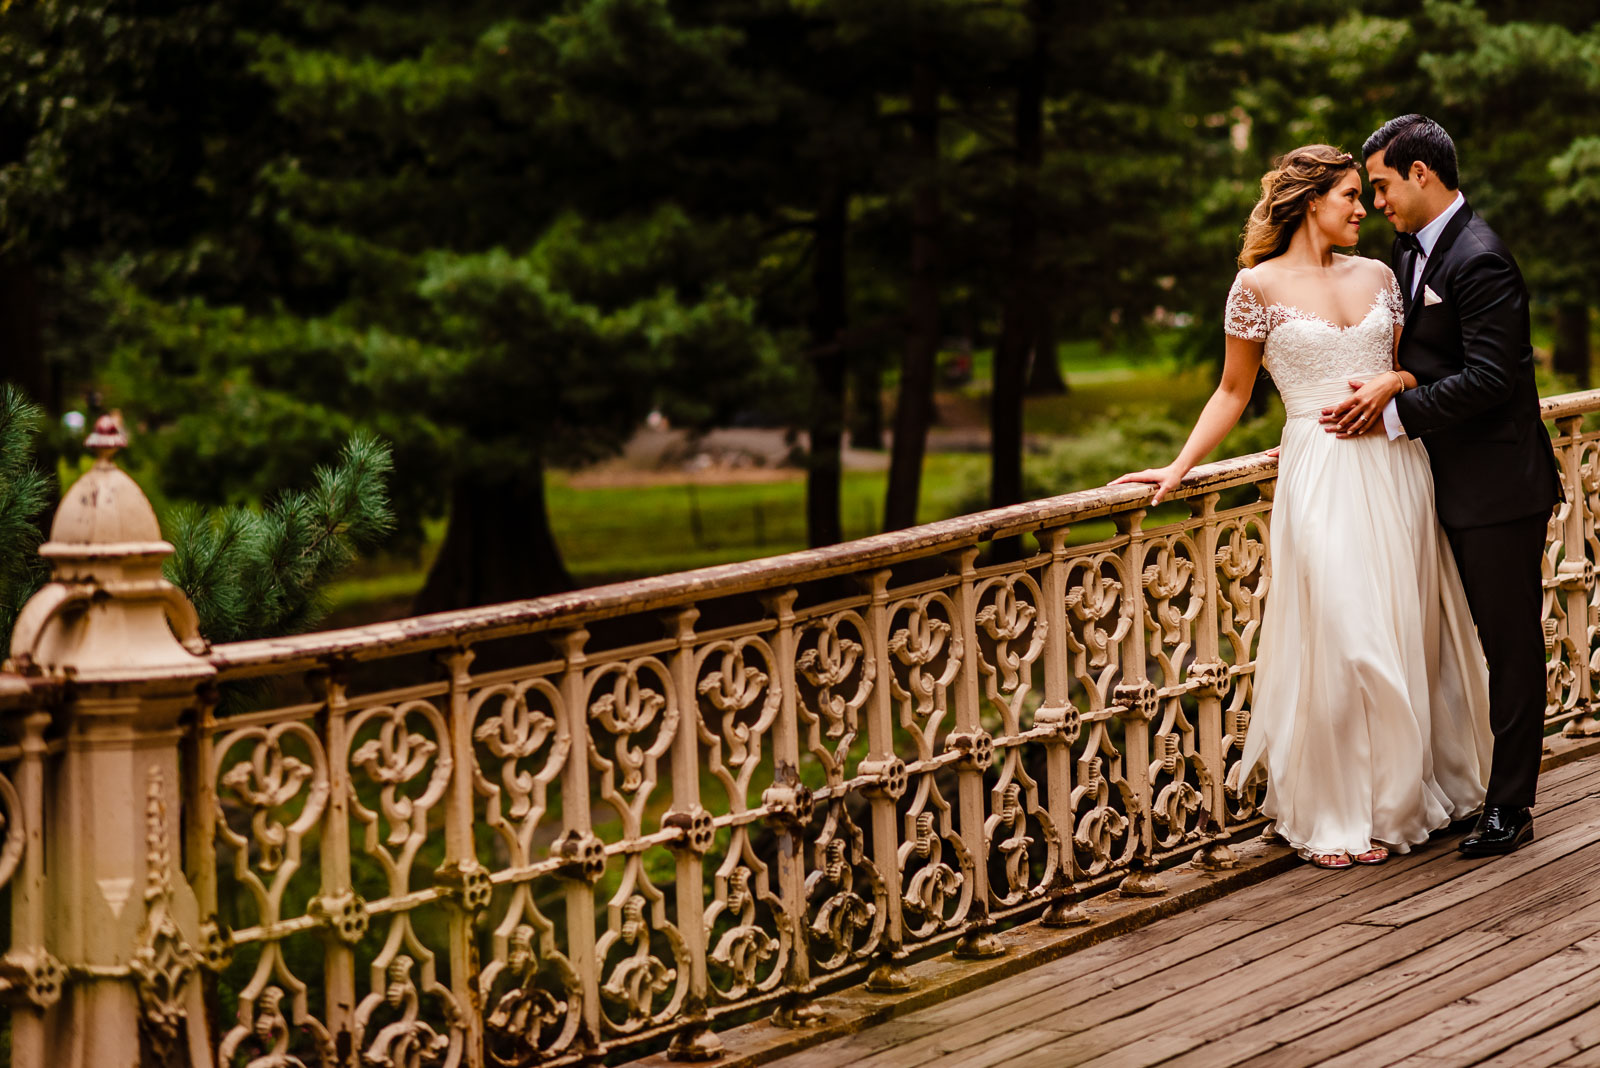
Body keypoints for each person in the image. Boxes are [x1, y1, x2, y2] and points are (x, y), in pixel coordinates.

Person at [1112, 143, 1493, 869]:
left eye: (1365, 194)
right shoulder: (1255, 286)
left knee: (1405, 627)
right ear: (1310, 200)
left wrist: (1399, 381)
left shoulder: (1382, 274)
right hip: (1318, 470)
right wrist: (1178, 466)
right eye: (1351, 195)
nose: (1364, 208)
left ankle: (1392, 804)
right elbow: (1232, 391)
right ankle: (1333, 809)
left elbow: (1421, 369)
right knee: (1348, 634)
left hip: (1396, 466)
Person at [1321, 115, 1562, 856]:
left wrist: (1393, 411)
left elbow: (1492, 378)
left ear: (1422, 173)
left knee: (1509, 644)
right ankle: (1454, 781)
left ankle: (1510, 808)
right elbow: (1433, 350)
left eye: (1385, 185)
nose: (1378, 203)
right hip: (1433, 486)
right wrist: (1400, 372)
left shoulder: (1481, 258)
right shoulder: (1410, 248)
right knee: (1445, 641)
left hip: (1497, 488)